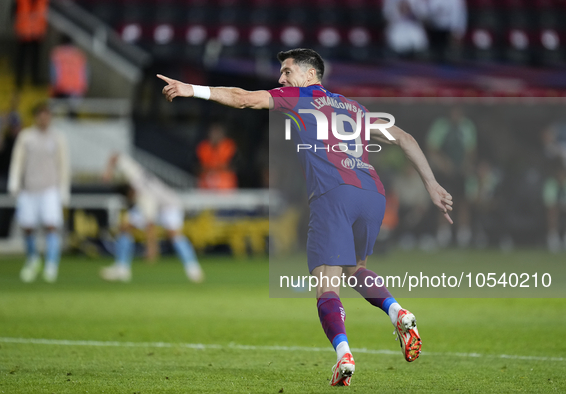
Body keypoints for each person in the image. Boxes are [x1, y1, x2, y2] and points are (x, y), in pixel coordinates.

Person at [157, 48, 452, 386]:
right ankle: (398, 311)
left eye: (287, 71)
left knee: (327, 284)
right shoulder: (352, 107)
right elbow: (405, 138)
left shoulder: (298, 97)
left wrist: (191, 89)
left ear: (310, 75)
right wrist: (432, 184)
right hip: (372, 193)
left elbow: (242, 99)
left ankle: (344, 355)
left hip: (333, 194)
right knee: (356, 270)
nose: (281, 79)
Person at [100, 153, 204, 283]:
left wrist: (151, 249)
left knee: (173, 235)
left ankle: (193, 268)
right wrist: (108, 172)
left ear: (130, 193)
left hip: (169, 205)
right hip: (156, 202)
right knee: (125, 227)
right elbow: (115, 156)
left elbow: (150, 225)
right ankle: (122, 269)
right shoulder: (134, 173)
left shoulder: (144, 198)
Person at [8, 103, 70, 283]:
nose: (44, 119)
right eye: (41, 115)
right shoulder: (26, 137)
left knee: (51, 226)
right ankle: (33, 259)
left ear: (50, 117)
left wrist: (63, 191)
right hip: (29, 189)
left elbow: (63, 165)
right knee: (27, 227)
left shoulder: (58, 138)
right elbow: (18, 161)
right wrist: (14, 184)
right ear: (36, 117)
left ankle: (51, 265)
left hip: (50, 189)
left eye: (47, 115)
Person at [426, 106, 476, 248]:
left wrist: (466, 166)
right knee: (443, 203)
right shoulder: (440, 126)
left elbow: (471, 150)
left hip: (461, 171)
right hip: (444, 172)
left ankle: (463, 236)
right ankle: (443, 235)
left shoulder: (467, 126)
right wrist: (444, 164)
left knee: (463, 202)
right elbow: (432, 148)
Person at [13, 0, 50, 88]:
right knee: (22, 59)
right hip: (24, 33)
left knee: (35, 59)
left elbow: (45, 14)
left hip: (37, 34)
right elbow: (14, 14)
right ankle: (19, 81)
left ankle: (34, 80)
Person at [195, 123, 238, 189]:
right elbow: (198, 167)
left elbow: (232, 166)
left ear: (223, 135)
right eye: (213, 133)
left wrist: (214, 167)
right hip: (206, 184)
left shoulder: (229, 146)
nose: (215, 136)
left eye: (217, 133)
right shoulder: (203, 147)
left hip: (225, 185)